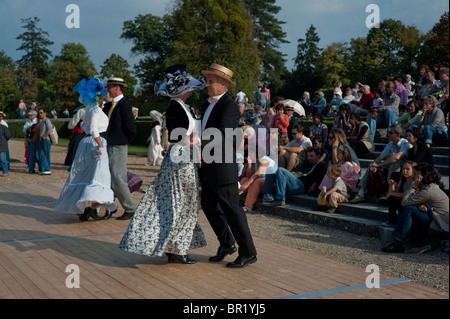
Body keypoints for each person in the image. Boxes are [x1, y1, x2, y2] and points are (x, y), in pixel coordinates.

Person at [119, 64, 207, 264]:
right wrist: (193, 141)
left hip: (185, 158)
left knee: (182, 203)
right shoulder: (176, 107)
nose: (192, 90)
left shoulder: (182, 107)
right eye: (190, 88)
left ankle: (174, 247)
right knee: (182, 203)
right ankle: (176, 249)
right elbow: (178, 136)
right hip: (181, 159)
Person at [199, 63, 257, 268]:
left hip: (222, 166)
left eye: (211, 81)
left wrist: (197, 144)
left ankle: (248, 252)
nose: (207, 84)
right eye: (207, 80)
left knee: (232, 210)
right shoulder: (207, 105)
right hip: (207, 165)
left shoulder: (229, 106)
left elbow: (221, 134)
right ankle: (227, 243)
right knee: (208, 205)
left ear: (223, 84)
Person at [54, 78, 116, 221]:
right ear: (99, 97)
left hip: (86, 143)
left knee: (88, 177)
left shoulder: (87, 110)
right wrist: (100, 145)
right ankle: (91, 209)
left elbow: (83, 126)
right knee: (99, 178)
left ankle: (88, 209)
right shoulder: (95, 111)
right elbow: (94, 131)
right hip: (96, 144)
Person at [381, 163, 449, 254]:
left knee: (409, 209)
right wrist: (418, 205)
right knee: (411, 213)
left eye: (416, 174)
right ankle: (420, 244)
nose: (414, 176)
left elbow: (404, 202)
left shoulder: (428, 191)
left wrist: (414, 186)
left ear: (423, 177)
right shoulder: (429, 187)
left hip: (442, 228)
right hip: (437, 222)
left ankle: (398, 243)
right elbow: (415, 201)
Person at [103, 77, 137, 220]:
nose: (107, 90)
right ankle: (111, 206)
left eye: (109, 87)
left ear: (117, 88)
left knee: (118, 178)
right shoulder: (108, 106)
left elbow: (131, 127)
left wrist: (123, 140)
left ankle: (130, 208)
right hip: (108, 145)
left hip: (118, 145)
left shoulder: (124, 105)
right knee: (108, 178)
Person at [350, 125, 410, 203]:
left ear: (398, 134)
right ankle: (361, 193)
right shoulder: (391, 143)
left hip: (403, 166)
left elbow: (396, 158)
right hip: (389, 163)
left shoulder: (405, 143)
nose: (388, 134)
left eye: (391, 133)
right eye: (388, 132)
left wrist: (379, 165)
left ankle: (388, 192)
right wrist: (374, 164)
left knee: (394, 163)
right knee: (372, 165)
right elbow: (381, 156)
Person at [263, 146, 328, 206]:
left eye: (311, 156)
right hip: (296, 181)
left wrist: (315, 185)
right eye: (308, 156)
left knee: (281, 170)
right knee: (270, 169)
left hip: (301, 187)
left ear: (318, 156)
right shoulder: (306, 162)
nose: (309, 158)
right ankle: (268, 197)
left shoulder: (322, 165)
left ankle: (280, 199)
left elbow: (322, 179)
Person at [239, 147, 277, 212]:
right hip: (262, 183)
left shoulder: (264, 160)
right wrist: (250, 164)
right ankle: (233, 199)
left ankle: (248, 206)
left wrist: (247, 184)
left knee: (256, 181)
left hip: (272, 184)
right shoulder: (256, 162)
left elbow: (257, 174)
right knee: (245, 179)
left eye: (251, 153)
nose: (249, 155)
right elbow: (249, 176)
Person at [380, 161, 416, 225]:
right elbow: (395, 193)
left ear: (413, 171)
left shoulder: (414, 182)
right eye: (403, 169)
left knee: (392, 197)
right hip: (403, 201)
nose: (405, 171)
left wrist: (391, 194)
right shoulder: (403, 181)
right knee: (391, 198)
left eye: (407, 169)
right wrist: (392, 185)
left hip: (411, 203)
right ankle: (392, 220)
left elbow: (407, 194)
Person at [36, 108, 53, 175]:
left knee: (44, 155)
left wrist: (44, 136)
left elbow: (50, 130)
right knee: (43, 155)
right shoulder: (43, 121)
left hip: (46, 140)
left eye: (41, 113)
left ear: (45, 113)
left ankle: (46, 169)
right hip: (43, 140)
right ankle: (44, 168)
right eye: (39, 113)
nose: (40, 114)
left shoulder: (47, 120)